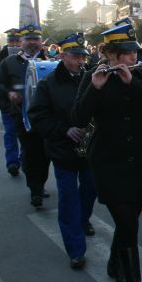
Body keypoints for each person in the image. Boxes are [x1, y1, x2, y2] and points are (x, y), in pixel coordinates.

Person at [74, 22, 142, 282]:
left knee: (128, 224)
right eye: (126, 54)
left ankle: (115, 264)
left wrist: (133, 82)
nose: (131, 58)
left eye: (133, 53)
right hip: (110, 163)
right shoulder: (92, 77)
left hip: (141, 161)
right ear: (111, 54)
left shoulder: (140, 76)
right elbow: (78, 117)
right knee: (129, 226)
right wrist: (95, 88)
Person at [27, 33, 97, 269]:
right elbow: (37, 116)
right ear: (63, 55)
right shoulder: (48, 84)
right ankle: (75, 249)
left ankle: (83, 219)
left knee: (90, 190)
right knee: (68, 198)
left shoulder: (89, 78)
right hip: (62, 150)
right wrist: (64, 130)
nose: (80, 61)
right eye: (76, 56)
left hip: (88, 149)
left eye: (82, 56)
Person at [0, 24, 51, 206]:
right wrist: (9, 94)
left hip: (46, 118)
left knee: (45, 155)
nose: (33, 43)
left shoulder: (50, 63)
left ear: (41, 42)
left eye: (36, 39)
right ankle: (35, 190)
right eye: (29, 39)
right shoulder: (9, 63)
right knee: (31, 153)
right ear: (22, 42)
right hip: (22, 116)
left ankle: (39, 183)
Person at [0, 28, 23, 175]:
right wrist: (7, 93)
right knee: (10, 133)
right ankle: (13, 163)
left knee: (30, 139)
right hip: (8, 103)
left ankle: (28, 166)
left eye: (17, 41)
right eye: (11, 41)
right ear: (7, 42)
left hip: (28, 104)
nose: (14, 44)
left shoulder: (31, 56)